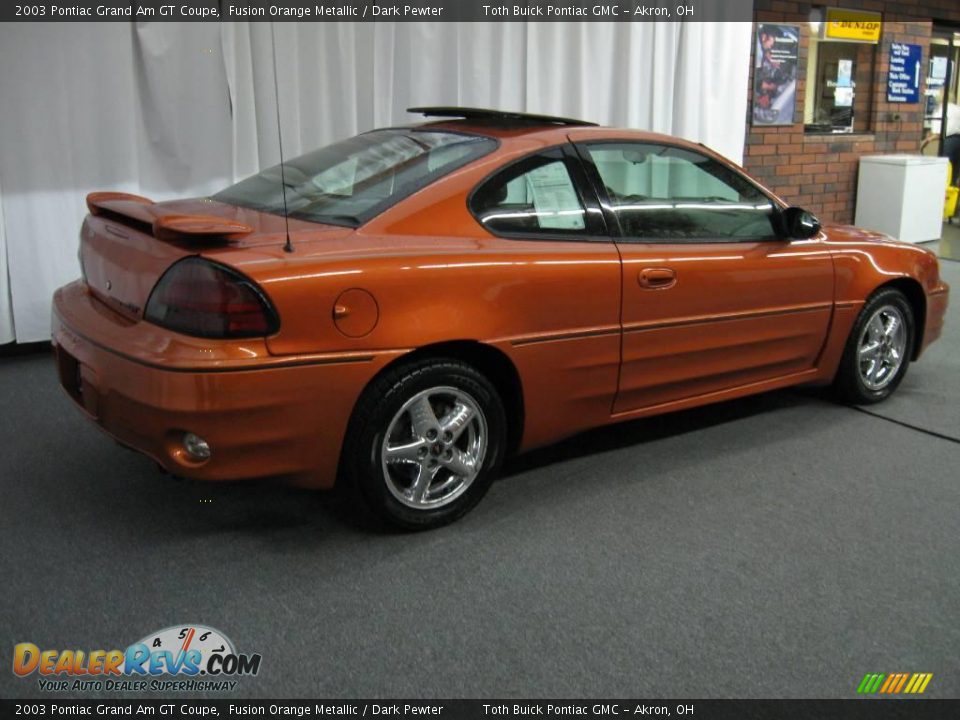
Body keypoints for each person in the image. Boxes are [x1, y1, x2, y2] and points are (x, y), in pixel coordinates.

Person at [945, 102, 960, 186]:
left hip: (948, 140)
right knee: (955, 168)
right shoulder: (957, 108)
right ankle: (953, 189)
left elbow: (938, 131)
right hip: (958, 139)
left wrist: (928, 139)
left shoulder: (943, 108)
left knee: (946, 165)